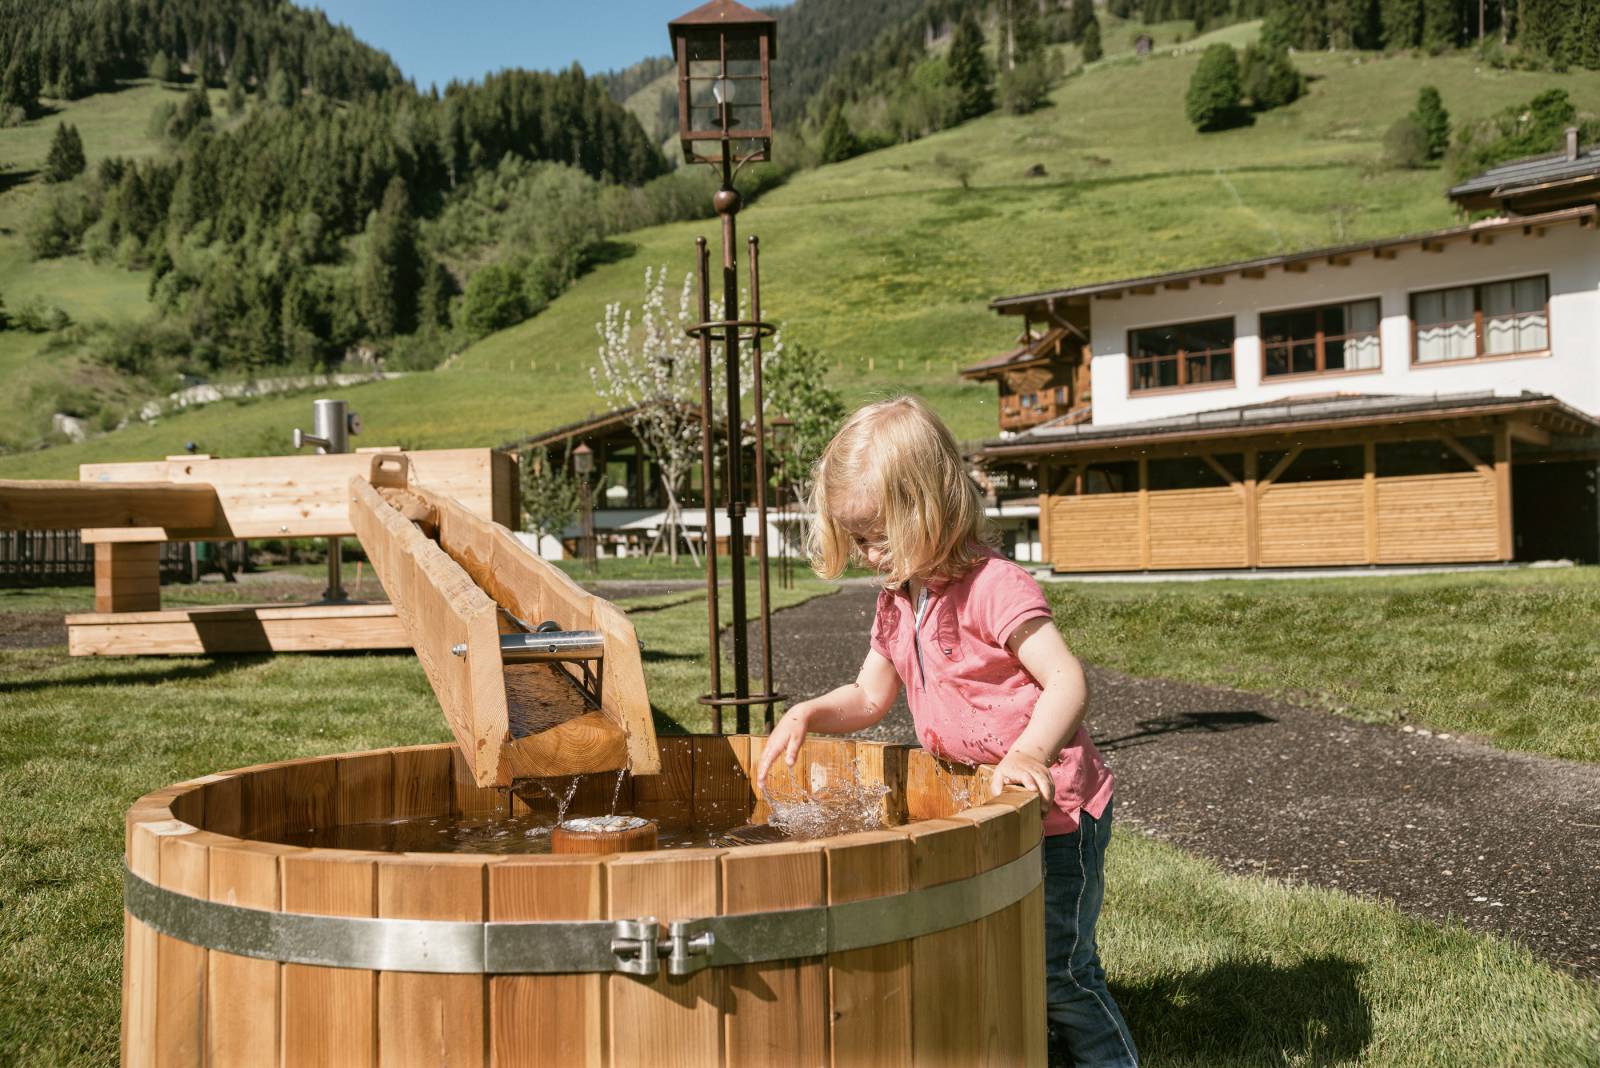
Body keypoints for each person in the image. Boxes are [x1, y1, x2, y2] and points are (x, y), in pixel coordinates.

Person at [755, 395, 1138, 1068]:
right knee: (1004, 959)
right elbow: (871, 694)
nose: (870, 553)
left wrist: (1029, 751)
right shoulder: (899, 599)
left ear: (928, 510)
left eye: (878, 534)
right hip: (990, 812)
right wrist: (809, 711)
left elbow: (1068, 681)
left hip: (1056, 815)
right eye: (859, 538)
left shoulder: (995, 586)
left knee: (1060, 974)